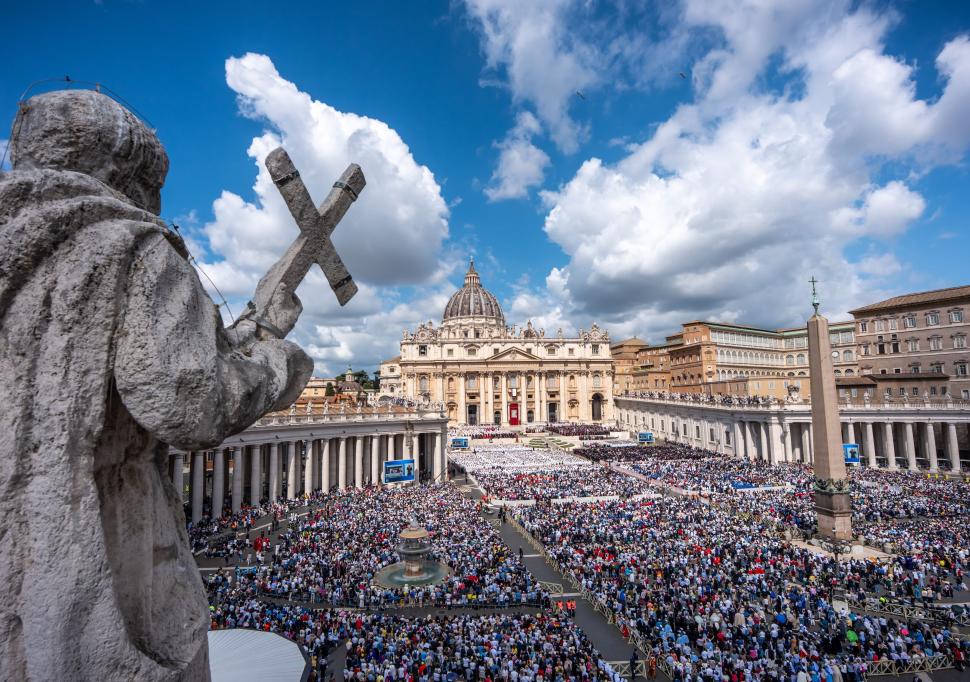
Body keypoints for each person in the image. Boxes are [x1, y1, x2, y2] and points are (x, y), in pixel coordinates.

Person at [0, 89, 313, 680]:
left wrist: (256, 324)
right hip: (87, 533)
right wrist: (281, 360)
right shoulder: (127, 244)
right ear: (130, 176)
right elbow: (191, 402)